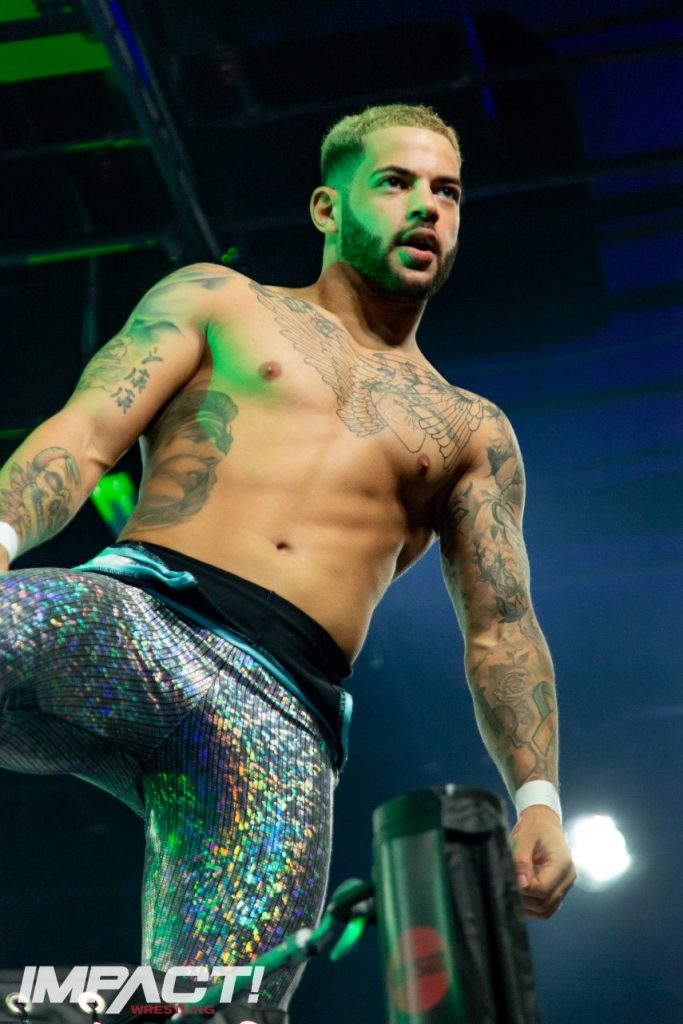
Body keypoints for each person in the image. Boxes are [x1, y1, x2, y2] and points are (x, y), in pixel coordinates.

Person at [0, 104, 575, 1013]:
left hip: (277, 724)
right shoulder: (219, 301)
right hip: (135, 622)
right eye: (395, 182)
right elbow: (84, 435)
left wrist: (537, 797)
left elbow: (501, 628)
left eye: (447, 192)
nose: (426, 207)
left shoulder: (471, 431)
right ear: (324, 207)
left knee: (222, 1004)